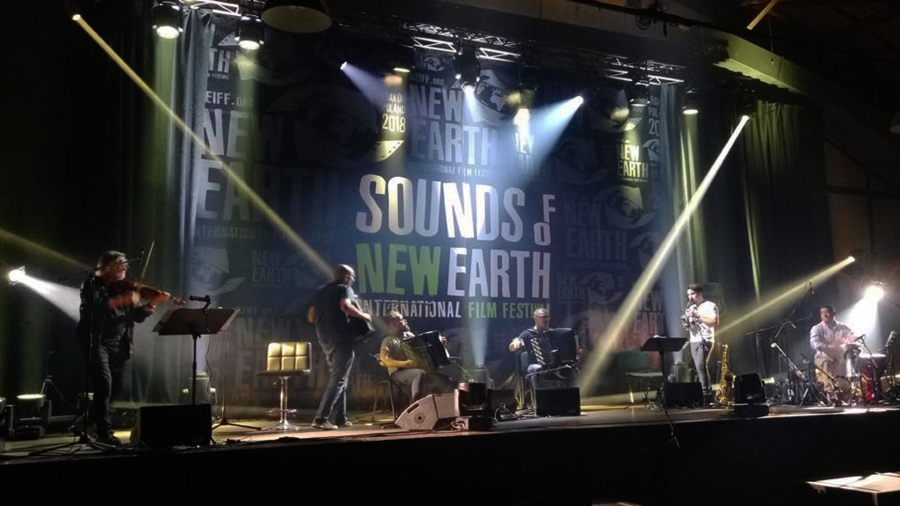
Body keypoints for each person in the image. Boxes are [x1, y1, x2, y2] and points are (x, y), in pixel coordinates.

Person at [75, 251, 168, 446]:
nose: (125, 267)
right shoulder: (92, 284)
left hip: (119, 344)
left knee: (116, 387)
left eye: (126, 263)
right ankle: (104, 432)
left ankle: (85, 422)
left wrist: (152, 303)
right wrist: (122, 300)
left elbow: (136, 316)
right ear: (107, 265)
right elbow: (94, 308)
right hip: (96, 341)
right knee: (104, 385)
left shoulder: (125, 288)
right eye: (120, 263)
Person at [311, 264, 371, 430]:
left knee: (340, 378)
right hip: (341, 339)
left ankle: (340, 418)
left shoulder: (321, 291)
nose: (353, 279)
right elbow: (345, 306)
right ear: (346, 276)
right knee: (338, 380)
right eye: (351, 276)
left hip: (325, 339)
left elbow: (313, 317)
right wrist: (364, 316)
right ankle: (321, 419)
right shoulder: (344, 289)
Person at [380, 311, 454, 405]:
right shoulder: (389, 340)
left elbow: (423, 351)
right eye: (401, 321)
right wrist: (405, 363)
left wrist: (440, 345)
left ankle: (430, 403)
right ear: (394, 325)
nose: (405, 322)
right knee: (419, 373)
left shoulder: (410, 336)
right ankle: (416, 406)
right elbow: (383, 360)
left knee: (446, 381)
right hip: (398, 373)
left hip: (418, 370)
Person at [809, 305, 855, 401]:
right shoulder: (817, 328)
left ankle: (853, 390)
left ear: (834, 313)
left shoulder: (843, 327)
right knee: (827, 362)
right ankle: (830, 392)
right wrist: (830, 347)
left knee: (853, 360)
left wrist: (856, 339)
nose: (824, 315)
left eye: (827, 312)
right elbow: (814, 344)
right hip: (822, 357)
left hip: (840, 357)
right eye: (822, 313)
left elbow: (852, 336)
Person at [509, 308, 552, 406]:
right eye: (543, 317)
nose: (546, 320)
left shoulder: (552, 333)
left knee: (572, 369)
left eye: (547, 317)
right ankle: (539, 403)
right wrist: (515, 343)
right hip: (533, 365)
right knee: (537, 369)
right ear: (535, 318)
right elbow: (515, 343)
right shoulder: (528, 333)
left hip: (552, 365)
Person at [684, 284, 719, 403]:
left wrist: (697, 315)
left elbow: (714, 322)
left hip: (705, 339)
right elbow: (690, 326)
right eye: (688, 294)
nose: (690, 297)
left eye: (692, 294)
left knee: (700, 365)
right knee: (700, 367)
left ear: (699, 294)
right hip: (694, 340)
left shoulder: (710, 305)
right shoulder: (690, 307)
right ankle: (706, 394)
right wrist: (686, 322)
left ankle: (706, 395)